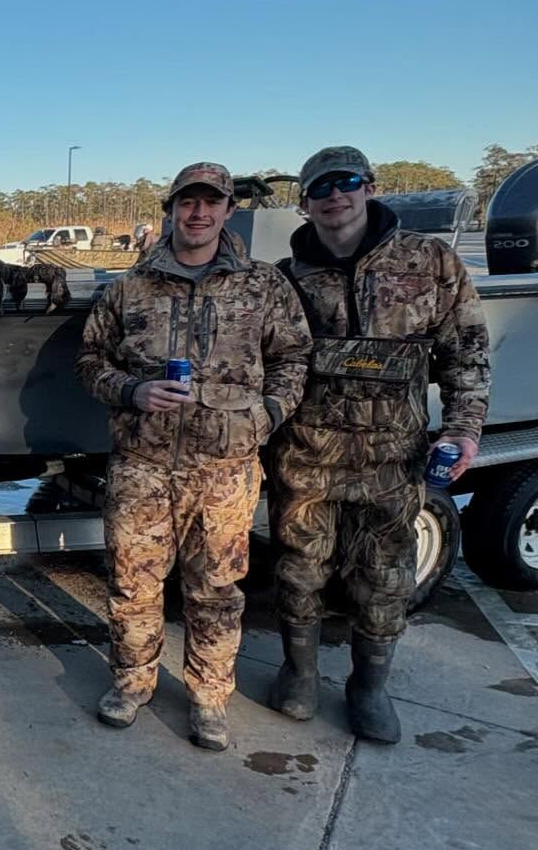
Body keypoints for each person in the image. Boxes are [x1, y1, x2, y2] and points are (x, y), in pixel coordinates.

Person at [76, 162, 312, 750]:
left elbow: (295, 359)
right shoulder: (130, 288)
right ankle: (132, 683)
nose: (199, 213)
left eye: (212, 202)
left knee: (216, 590)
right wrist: (132, 390)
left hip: (226, 472)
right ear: (171, 209)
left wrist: (267, 414)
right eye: (188, 202)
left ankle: (209, 699)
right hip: (143, 467)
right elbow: (88, 363)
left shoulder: (263, 285)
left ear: (230, 210)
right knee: (133, 584)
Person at [268, 146, 490, 742]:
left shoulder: (431, 262)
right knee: (299, 569)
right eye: (320, 187)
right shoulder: (285, 279)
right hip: (306, 457)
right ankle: (301, 671)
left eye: (346, 182)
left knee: (385, 576)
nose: (334, 195)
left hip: (392, 460)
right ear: (303, 202)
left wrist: (464, 428)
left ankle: (369, 686)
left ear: (368, 187)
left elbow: (465, 351)